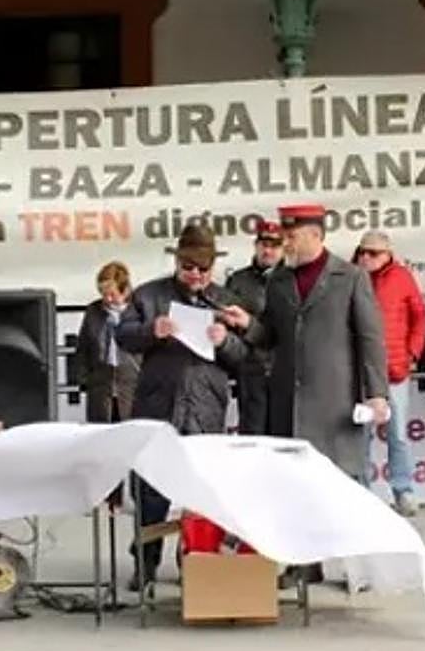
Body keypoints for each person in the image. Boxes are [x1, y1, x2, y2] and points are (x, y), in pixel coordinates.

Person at [116, 224, 245, 587]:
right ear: (177, 262)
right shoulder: (149, 295)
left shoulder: (225, 299)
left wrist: (226, 342)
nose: (195, 275)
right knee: (151, 488)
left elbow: (247, 354)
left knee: (202, 488)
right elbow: (123, 336)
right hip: (159, 402)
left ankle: (197, 559)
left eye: (202, 269)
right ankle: (145, 561)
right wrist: (150, 332)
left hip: (206, 406)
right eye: (189, 267)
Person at [221, 205, 389, 477]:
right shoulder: (278, 279)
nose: (285, 244)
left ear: (315, 235)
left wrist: (377, 394)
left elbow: (370, 338)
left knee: (336, 488)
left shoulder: (350, 278)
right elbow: (271, 336)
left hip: (334, 404)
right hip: (287, 405)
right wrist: (248, 324)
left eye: (291, 237)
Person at [352, 231, 425, 518]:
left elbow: (420, 316)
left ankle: (404, 490)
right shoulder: (350, 278)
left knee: (398, 435)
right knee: (361, 435)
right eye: (363, 252)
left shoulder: (402, 277)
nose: (366, 258)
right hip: (360, 371)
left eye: (373, 253)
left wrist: (412, 354)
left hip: (395, 369)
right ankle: (362, 492)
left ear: (388, 255)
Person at [225, 220, 284, 435]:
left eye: (274, 245)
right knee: (253, 434)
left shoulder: (292, 278)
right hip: (250, 369)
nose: (268, 250)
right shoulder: (238, 280)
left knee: (283, 437)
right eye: (263, 244)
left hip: (283, 369)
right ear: (256, 245)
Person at [75, 261, 140, 423]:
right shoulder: (93, 311)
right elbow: (83, 347)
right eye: (103, 294)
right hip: (101, 388)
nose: (107, 299)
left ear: (125, 291)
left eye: (112, 294)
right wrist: (84, 379)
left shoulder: (140, 310)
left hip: (133, 386)